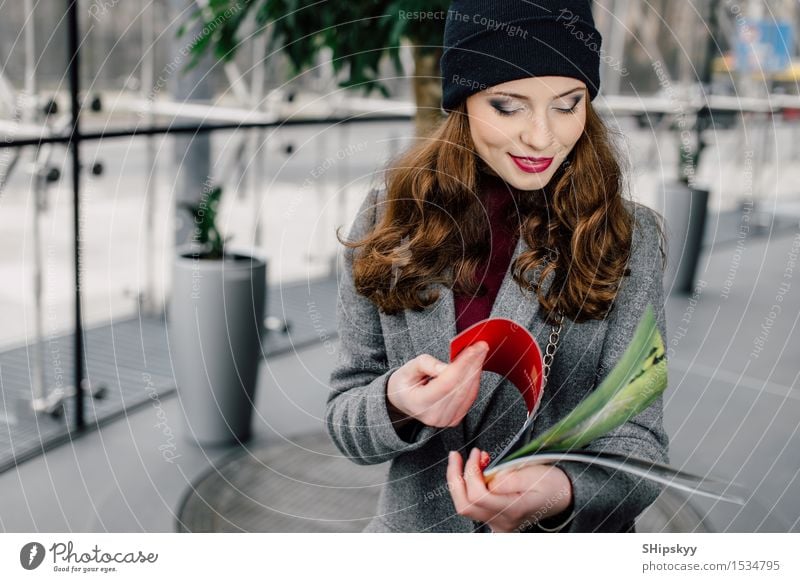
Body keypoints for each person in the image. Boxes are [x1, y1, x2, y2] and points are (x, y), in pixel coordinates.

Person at [326, 0, 669, 533]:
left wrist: (561, 490)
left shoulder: (628, 237)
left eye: (568, 103)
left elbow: (640, 443)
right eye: (509, 106)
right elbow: (345, 417)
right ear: (463, 101)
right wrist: (397, 401)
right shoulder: (390, 214)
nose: (542, 136)